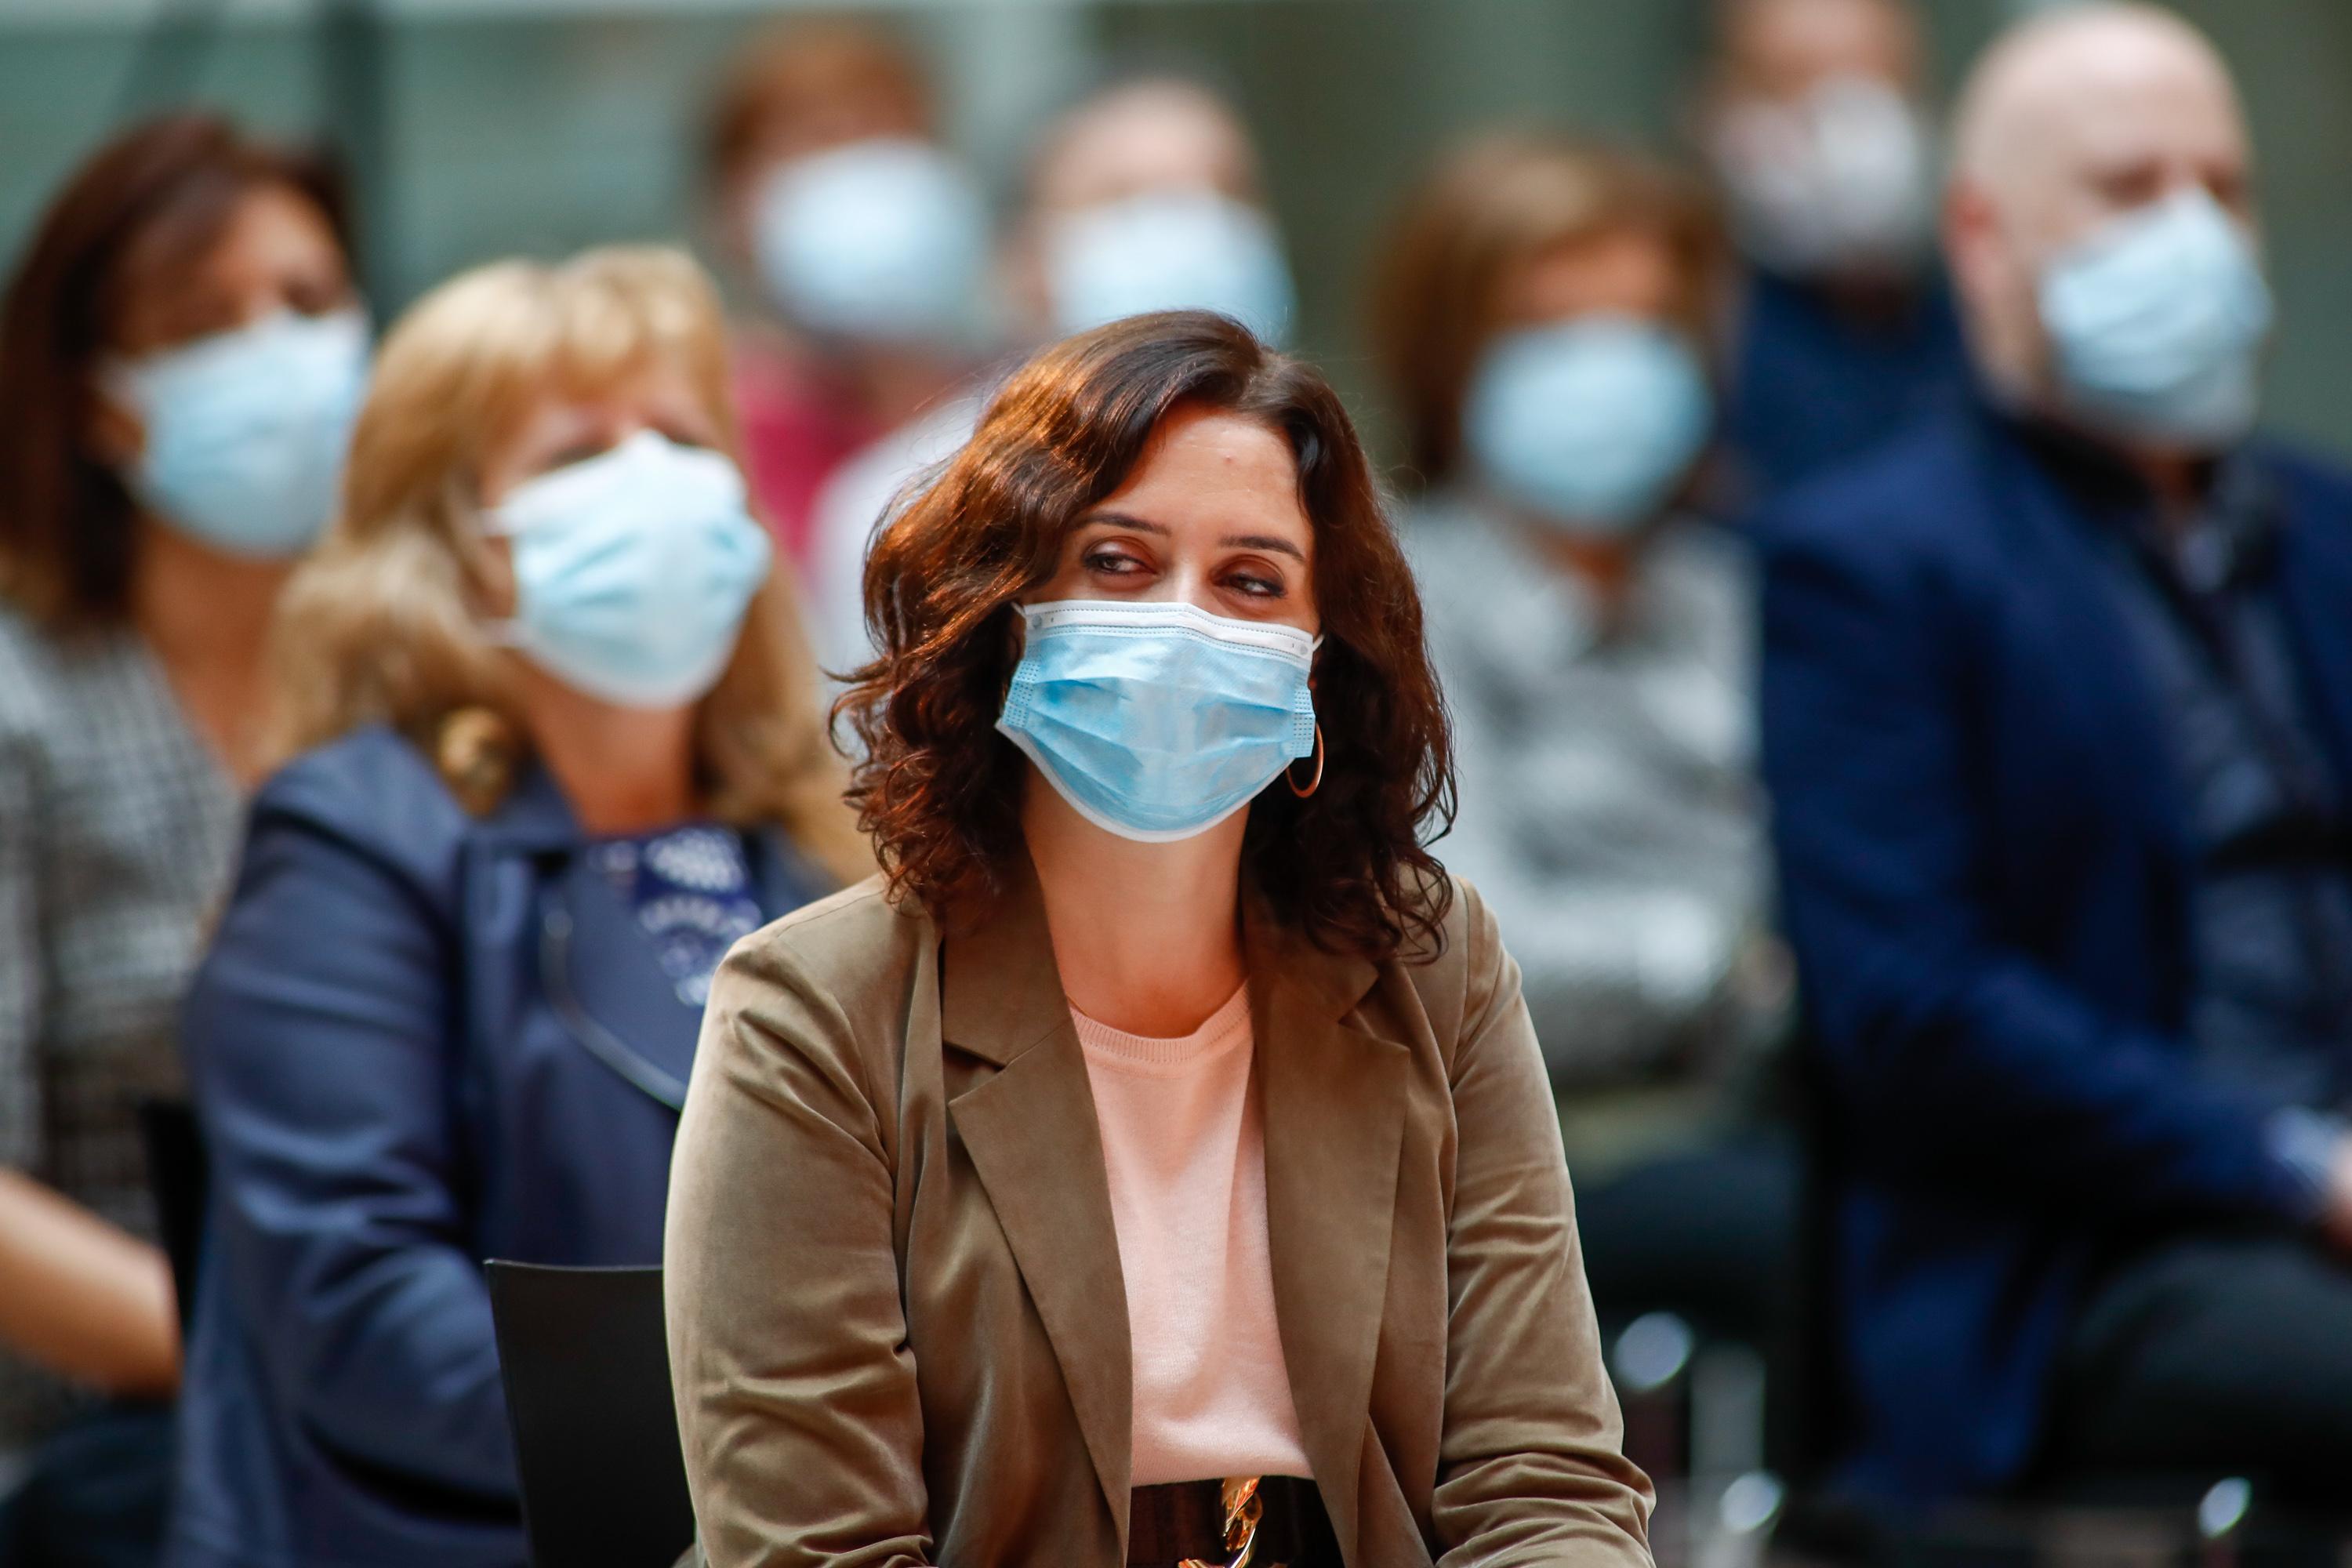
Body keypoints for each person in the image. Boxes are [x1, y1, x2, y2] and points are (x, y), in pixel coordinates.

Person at [665, 310, 1655, 1566]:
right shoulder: (815, 1010)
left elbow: (1542, 1483)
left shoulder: (1429, 964)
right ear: (1003, 606)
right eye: (1121, 563)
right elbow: (816, 1553)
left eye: (1251, 582)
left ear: (1317, 663)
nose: (1186, 625)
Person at [163, 248, 868, 1568]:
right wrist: (790, 1442)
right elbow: (363, 1310)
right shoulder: (355, 838)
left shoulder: (811, 845)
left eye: (675, 434)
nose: (647, 483)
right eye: (572, 457)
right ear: (453, 551)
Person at [1760, 3, 2352, 1506]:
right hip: (2083, 1258)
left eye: (2222, 189)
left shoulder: (2325, 526)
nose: (2195, 232)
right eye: (2129, 188)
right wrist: (2295, 1165)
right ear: (1983, 239)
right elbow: (1915, 1013)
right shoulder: (1873, 561)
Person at [0, 114, 365, 1565]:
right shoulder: (28, 707)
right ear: (102, 405)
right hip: (114, 1458)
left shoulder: (427, 685)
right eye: (204, 323)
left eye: (309, 303)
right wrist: (269, 1365)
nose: (276, 351)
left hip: (435, 1431)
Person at [1372, 132, 1791, 1345]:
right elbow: (1467, 950)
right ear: (1454, 359)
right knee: (1856, 1232)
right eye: (1551, 335)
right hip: (1545, 1145)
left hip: (1777, 1102)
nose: (1606, 375)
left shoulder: (1732, 591)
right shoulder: (1398, 601)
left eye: (1645, 331)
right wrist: (1734, 960)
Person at [803, 73, 1294, 686]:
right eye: (1126, 198)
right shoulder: (903, 505)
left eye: (1222, 192)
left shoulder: (1318, 483)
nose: (1188, 228)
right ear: (1025, 259)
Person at [702, 16, 987, 568]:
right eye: (819, 140)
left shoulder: (1006, 405)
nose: (862, 176)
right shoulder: (711, 423)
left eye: (885, 137)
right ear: (733, 205)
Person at [1696, 0, 1969, 500]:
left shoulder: (1988, 326)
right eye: (1798, 80)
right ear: (1720, 109)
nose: (1851, 118)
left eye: (1881, 79)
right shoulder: (1697, 340)